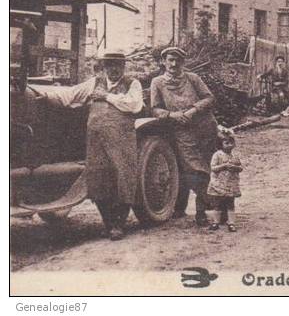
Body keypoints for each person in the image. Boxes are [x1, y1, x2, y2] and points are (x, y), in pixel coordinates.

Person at [29, 51, 143, 240]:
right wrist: (45, 96)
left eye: (117, 65)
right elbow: (70, 95)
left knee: (123, 177)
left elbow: (133, 105)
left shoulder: (132, 83)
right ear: (104, 67)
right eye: (109, 65)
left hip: (122, 139)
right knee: (97, 179)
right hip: (96, 139)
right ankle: (108, 223)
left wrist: (106, 96)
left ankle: (118, 224)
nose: (114, 69)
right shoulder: (94, 83)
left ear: (123, 67)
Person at [151, 46, 220, 227]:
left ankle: (200, 210)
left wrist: (192, 110)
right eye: (170, 60)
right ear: (163, 62)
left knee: (207, 166)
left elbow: (209, 98)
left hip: (205, 127)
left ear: (183, 62)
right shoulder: (157, 82)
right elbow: (155, 108)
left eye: (178, 60)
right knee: (194, 168)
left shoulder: (193, 78)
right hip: (181, 131)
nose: (174, 64)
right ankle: (213, 205)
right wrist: (172, 115)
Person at [207, 127, 243, 232]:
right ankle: (215, 222)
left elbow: (240, 167)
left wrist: (235, 168)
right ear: (220, 144)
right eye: (226, 143)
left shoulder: (235, 155)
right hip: (218, 183)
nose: (230, 145)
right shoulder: (217, 155)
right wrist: (224, 166)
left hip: (231, 183)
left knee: (230, 203)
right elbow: (213, 168)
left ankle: (231, 223)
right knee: (217, 204)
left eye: (232, 142)